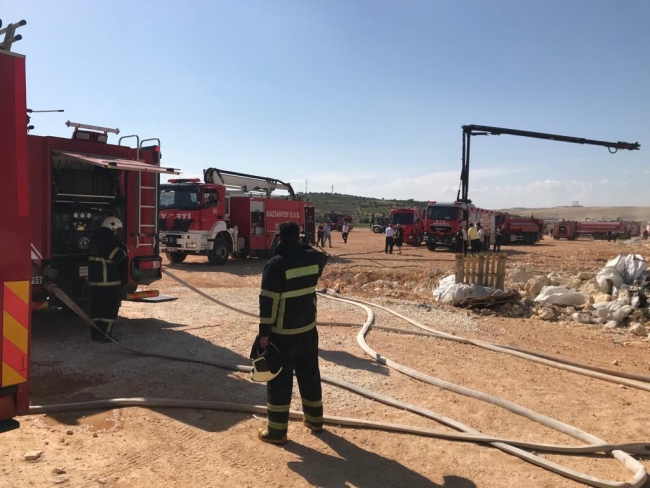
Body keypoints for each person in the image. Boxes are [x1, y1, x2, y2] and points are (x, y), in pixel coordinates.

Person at [257, 221, 328, 445]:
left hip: (283, 334)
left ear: (279, 238)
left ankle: (277, 432)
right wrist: (303, 246)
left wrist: (264, 333)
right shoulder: (312, 259)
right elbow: (321, 255)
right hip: (308, 329)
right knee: (310, 376)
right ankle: (315, 421)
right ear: (298, 237)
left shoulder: (275, 265)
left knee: (279, 382)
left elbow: (267, 302)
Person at [88, 216, 128, 342]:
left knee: (97, 309)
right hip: (107, 281)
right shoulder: (107, 240)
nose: (117, 233)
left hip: (95, 281)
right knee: (109, 308)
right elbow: (117, 256)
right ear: (112, 227)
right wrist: (124, 248)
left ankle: (95, 334)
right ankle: (105, 335)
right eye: (116, 230)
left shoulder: (95, 238)